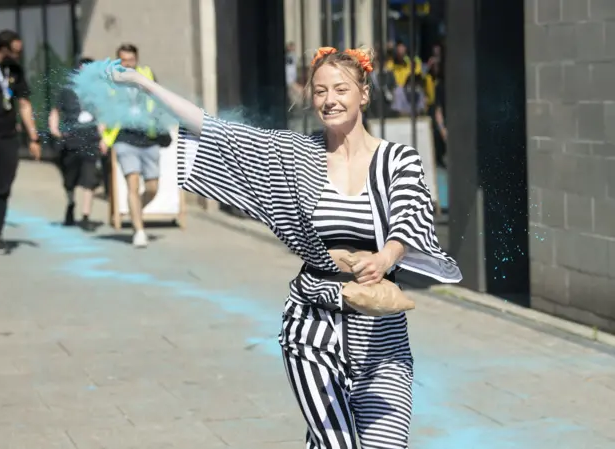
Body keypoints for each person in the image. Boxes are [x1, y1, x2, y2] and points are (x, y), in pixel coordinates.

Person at [102, 46, 462, 448]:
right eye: (321, 91)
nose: (330, 100)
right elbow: (215, 130)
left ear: (363, 93)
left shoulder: (399, 160)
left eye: (341, 89)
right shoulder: (294, 154)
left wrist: (387, 256)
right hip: (313, 328)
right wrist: (143, 83)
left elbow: (410, 216)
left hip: (382, 339)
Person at [0, 29, 41, 254]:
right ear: (3, 47)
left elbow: (23, 103)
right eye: (16, 50)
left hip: (7, 138)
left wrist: (33, 137)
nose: (19, 55)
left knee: (3, 187)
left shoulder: (15, 70)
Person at [101, 43, 170, 248]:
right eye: (123, 61)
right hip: (124, 137)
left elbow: (159, 100)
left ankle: (135, 211)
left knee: (152, 187)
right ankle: (139, 231)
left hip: (148, 137)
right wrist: (103, 138)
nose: (128, 64)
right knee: (132, 183)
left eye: (131, 60)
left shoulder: (147, 74)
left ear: (137, 60)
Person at [49, 57, 106, 230]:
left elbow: (102, 116)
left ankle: (86, 216)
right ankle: (71, 203)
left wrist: (103, 138)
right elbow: (55, 112)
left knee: (89, 178)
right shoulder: (66, 91)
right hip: (70, 140)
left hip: (90, 139)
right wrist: (55, 130)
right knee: (70, 180)